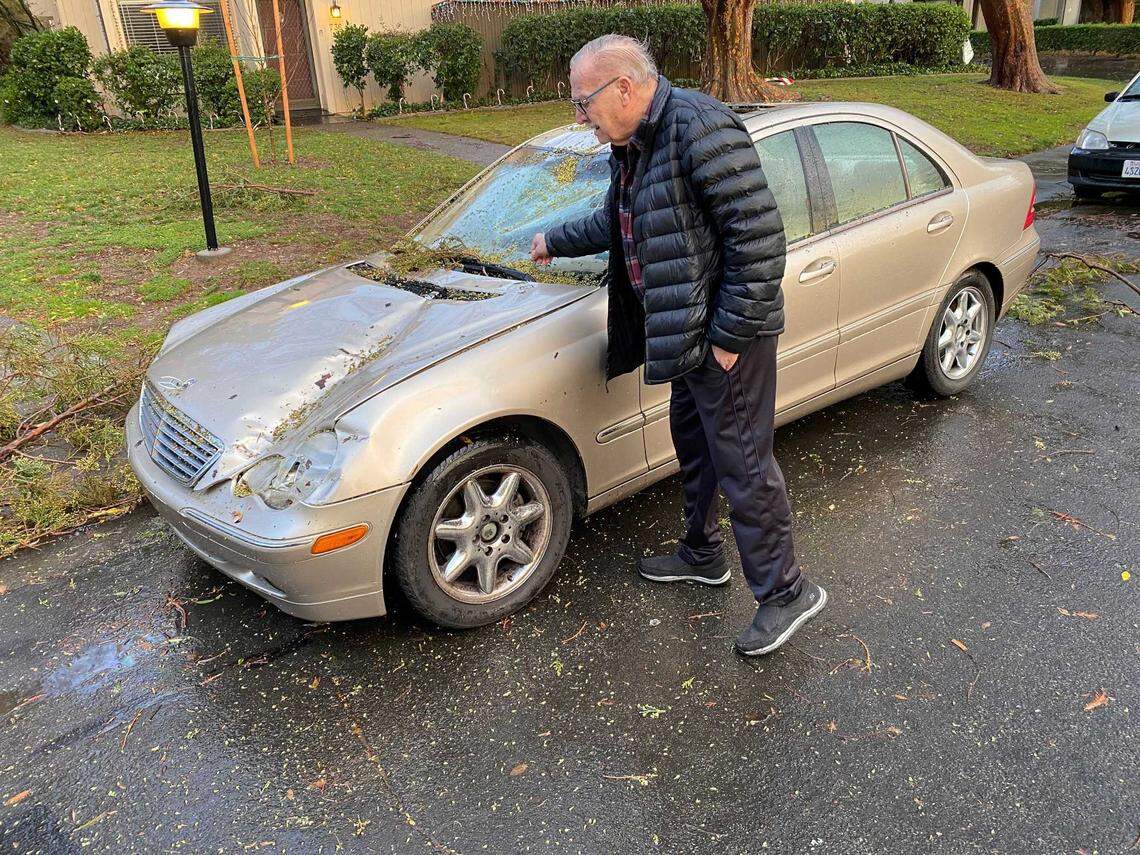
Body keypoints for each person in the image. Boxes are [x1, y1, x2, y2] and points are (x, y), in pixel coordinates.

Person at [530, 35, 826, 656]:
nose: (579, 117)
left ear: (624, 89)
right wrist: (552, 238)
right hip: (684, 334)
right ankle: (702, 553)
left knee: (743, 465)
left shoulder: (700, 128)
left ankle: (787, 592)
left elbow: (760, 240)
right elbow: (618, 221)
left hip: (727, 337)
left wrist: (727, 339)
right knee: (695, 448)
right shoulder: (630, 145)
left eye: (584, 103)